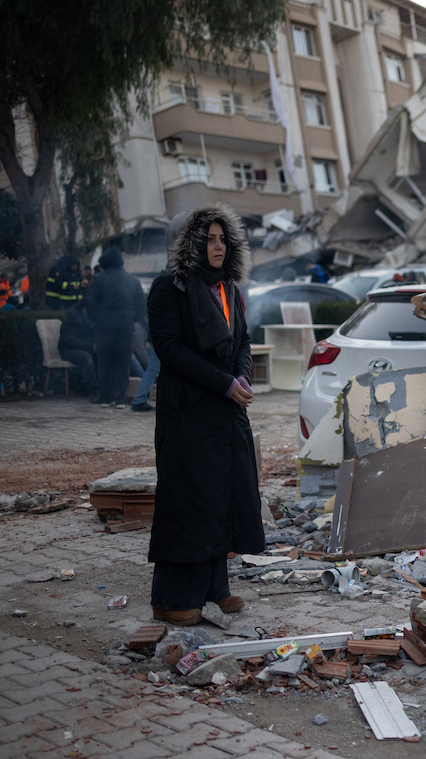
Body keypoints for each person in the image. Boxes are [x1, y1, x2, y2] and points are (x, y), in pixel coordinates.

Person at [146, 203, 263, 625]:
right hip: (188, 415)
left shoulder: (228, 289)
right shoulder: (168, 289)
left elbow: (243, 341)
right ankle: (174, 598)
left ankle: (216, 587)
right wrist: (224, 384)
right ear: (188, 243)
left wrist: (243, 377)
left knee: (220, 498)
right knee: (189, 503)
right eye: (208, 239)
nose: (218, 246)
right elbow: (170, 351)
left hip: (225, 414)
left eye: (222, 238)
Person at [82, 247, 145, 408]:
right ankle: (120, 398)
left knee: (104, 362)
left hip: (104, 328)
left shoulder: (97, 279)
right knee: (122, 363)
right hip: (126, 328)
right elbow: (140, 305)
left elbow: (89, 302)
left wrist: (96, 319)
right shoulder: (133, 280)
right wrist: (131, 319)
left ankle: (106, 397)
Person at [58, 304, 99, 401]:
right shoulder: (71, 316)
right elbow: (70, 340)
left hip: (85, 347)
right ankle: (94, 393)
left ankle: (105, 389)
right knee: (86, 358)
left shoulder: (90, 315)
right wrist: (91, 346)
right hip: (68, 350)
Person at [131, 318, 160, 412]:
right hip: (162, 335)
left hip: (158, 334)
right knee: (153, 369)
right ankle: (139, 399)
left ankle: (139, 399)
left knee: (153, 369)